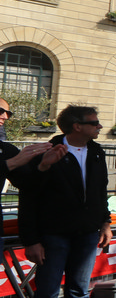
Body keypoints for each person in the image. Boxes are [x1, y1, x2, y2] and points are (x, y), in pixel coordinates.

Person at [18, 105, 115, 298]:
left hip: (87, 233)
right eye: (94, 122)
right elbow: (29, 196)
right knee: (48, 292)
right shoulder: (47, 151)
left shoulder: (96, 151)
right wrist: (32, 240)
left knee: (79, 289)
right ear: (77, 126)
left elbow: (100, 190)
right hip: (54, 234)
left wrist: (105, 222)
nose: (99, 126)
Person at [0, 98, 55, 241]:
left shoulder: (6, 150)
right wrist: (10, 163)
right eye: (0, 111)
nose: (5, 117)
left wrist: (43, 166)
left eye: (8, 113)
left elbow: (28, 184)